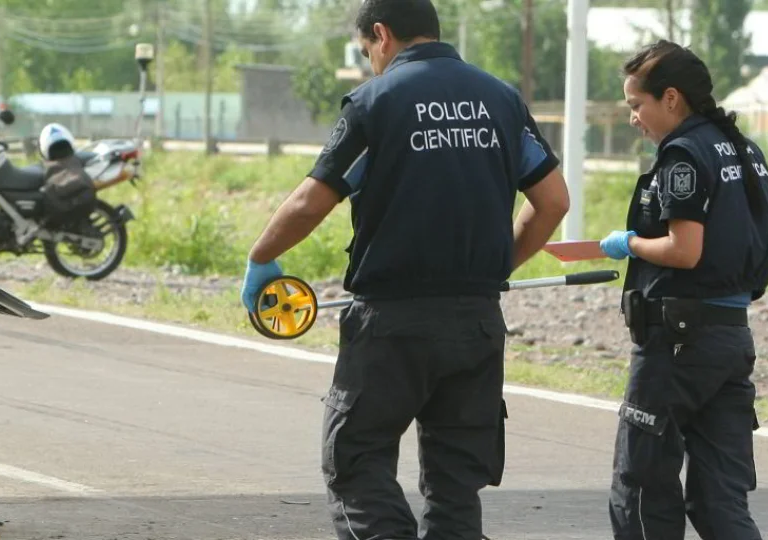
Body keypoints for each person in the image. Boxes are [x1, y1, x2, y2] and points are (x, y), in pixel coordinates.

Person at [239, 0, 570, 538]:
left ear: (381, 34)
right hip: (477, 323)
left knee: (357, 461)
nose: (370, 61)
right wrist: (494, 267)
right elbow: (553, 201)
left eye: (366, 50)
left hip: (392, 325)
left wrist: (260, 258)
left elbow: (310, 202)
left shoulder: (377, 102)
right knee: (456, 484)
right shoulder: (501, 99)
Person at [599, 40, 768, 540]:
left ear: (672, 98)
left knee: (641, 488)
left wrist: (630, 243)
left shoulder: (683, 154)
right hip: (731, 338)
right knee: (722, 502)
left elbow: (685, 250)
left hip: (678, 343)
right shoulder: (744, 148)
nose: (633, 118)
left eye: (637, 105)